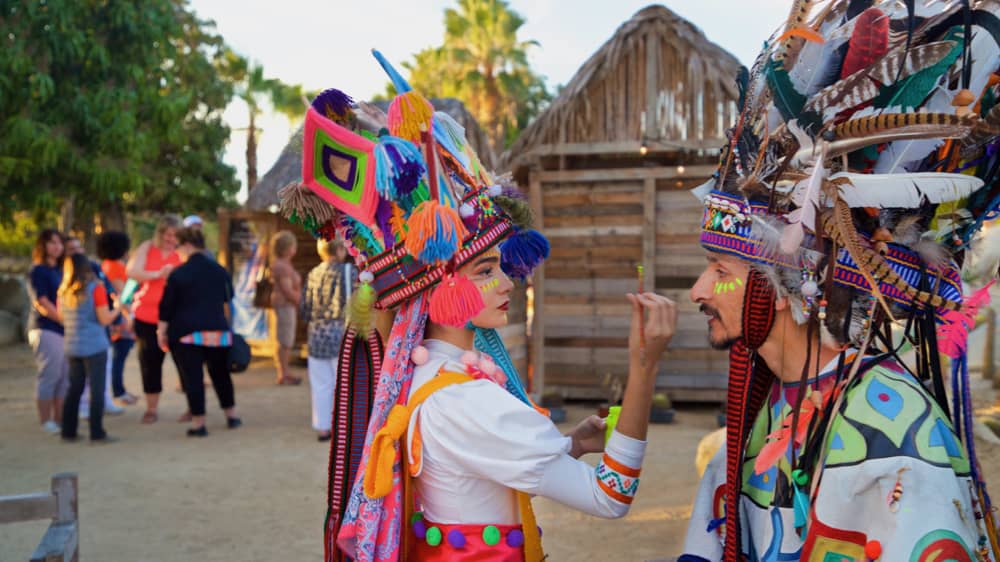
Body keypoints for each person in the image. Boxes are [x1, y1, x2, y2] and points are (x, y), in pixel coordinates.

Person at [281, 59, 677, 562]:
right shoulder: (466, 401)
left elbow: (479, 476)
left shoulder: (431, 374)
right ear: (437, 287)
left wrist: (571, 445)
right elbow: (610, 496)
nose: (507, 279)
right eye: (485, 270)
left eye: (499, 266)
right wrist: (644, 368)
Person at [678, 3, 1000, 560]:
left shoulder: (893, 432)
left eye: (721, 271)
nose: (698, 291)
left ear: (788, 285)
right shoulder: (768, 407)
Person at [158, 227, 240, 437]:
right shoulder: (219, 270)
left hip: (186, 333)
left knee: (193, 378)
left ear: (186, 245)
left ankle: (199, 423)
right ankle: (231, 415)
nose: (177, 251)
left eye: (178, 246)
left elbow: (167, 307)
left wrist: (162, 332)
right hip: (217, 331)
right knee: (221, 374)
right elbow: (227, 301)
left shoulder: (178, 273)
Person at [58, 253, 122, 443]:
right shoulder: (96, 289)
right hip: (95, 346)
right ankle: (97, 432)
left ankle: (68, 431)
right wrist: (118, 307)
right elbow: (104, 319)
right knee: (97, 389)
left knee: (74, 388)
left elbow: (62, 318)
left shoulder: (63, 292)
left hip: (72, 345)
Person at [127, 214, 183, 423]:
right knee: (149, 363)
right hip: (147, 316)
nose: (171, 238)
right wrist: (158, 274)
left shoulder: (183, 252)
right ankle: (151, 408)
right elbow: (132, 271)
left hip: (176, 316)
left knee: (185, 362)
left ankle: (192, 407)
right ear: (160, 233)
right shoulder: (147, 247)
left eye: (175, 234)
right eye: (167, 234)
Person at [65, 234, 126, 418]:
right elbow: (104, 315)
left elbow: (108, 294)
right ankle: (96, 429)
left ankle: (72, 426)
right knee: (92, 383)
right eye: (72, 250)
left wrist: (116, 320)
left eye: (79, 248)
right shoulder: (92, 287)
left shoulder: (66, 287)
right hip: (93, 340)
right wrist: (117, 311)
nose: (77, 253)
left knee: (79, 382)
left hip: (75, 340)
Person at [301, 238, 351, 441]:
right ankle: (343, 428)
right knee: (344, 384)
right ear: (339, 249)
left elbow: (305, 309)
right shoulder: (349, 272)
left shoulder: (313, 273)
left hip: (316, 335)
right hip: (341, 336)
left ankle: (323, 428)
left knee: (321, 384)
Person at [27, 229, 67, 434]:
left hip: (64, 330)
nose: (57, 247)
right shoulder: (38, 271)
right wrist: (64, 320)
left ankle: (60, 418)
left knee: (63, 376)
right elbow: (42, 301)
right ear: (43, 246)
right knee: (49, 374)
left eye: (60, 243)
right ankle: (45, 421)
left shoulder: (61, 271)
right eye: (52, 243)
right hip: (46, 328)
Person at [97, 230, 138, 406]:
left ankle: (118, 391)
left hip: (118, 315)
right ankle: (118, 392)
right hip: (119, 317)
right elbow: (123, 295)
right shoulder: (113, 267)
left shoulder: (109, 265)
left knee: (118, 355)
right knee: (119, 355)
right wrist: (131, 314)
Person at [269, 230, 301, 386]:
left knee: (285, 339)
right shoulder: (282, 266)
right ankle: (284, 373)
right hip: (285, 305)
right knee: (285, 340)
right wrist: (303, 301)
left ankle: (284, 371)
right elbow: (287, 290)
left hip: (285, 305)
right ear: (288, 248)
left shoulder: (283, 264)